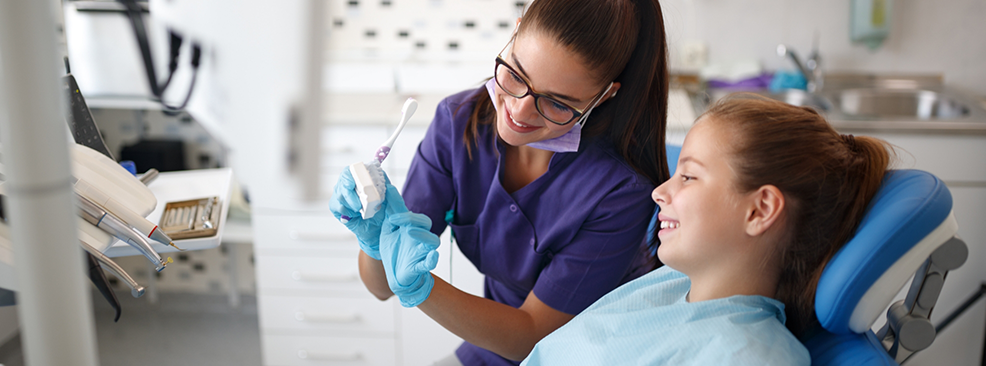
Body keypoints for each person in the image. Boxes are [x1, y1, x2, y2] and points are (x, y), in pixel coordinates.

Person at [330, 0, 670, 364]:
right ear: (515, 32)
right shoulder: (458, 123)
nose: (519, 111)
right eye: (517, 75)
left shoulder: (620, 190)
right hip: (493, 342)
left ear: (604, 95)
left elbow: (535, 338)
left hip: (584, 352)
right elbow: (382, 288)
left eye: (557, 103)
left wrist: (422, 288)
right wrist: (374, 239)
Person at [519, 95, 894, 365]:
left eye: (688, 176)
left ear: (759, 210)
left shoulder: (749, 355)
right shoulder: (673, 284)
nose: (660, 191)